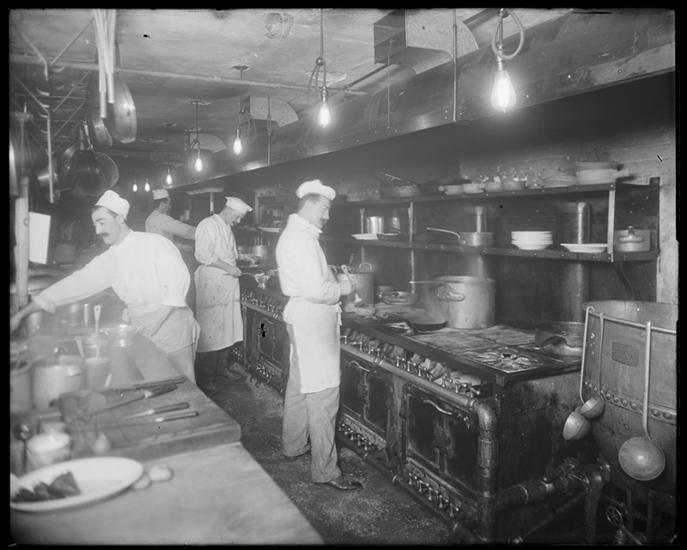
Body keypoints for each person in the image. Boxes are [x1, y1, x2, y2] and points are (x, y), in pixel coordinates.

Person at [10, 190, 200, 384]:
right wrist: (23, 313)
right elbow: (73, 285)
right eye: (95, 224)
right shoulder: (109, 260)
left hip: (172, 330)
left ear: (119, 218)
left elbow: (177, 283)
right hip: (143, 330)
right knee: (158, 383)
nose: (98, 230)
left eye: (102, 222)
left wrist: (155, 320)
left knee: (185, 387)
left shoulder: (155, 243)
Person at [275, 179, 363, 491]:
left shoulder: (296, 235)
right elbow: (316, 290)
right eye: (324, 209)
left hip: (302, 320)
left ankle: (293, 445)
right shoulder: (302, 239)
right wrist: (345, 287)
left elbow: (309, 280)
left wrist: (329, 274)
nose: (327, 216)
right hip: (313, 324)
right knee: (324, 394)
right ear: (310, 204)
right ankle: (326, 470)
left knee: (300, 386)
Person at [194, 196, 254, 385]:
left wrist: (244, 257)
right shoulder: (208, 224)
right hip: (212, 284)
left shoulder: (227, 227)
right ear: (229, 210)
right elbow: (203, 254)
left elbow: (228, 253)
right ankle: (206, 378)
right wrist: (229, 268)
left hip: (227, 285)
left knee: (227, 329)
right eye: (238, 217)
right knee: (211, 331)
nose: (238, 221)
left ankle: (220, 372)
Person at [145, 188, 198, 308]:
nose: (170, 207)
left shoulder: (150, 218)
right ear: (162, 204)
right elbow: (186, 231)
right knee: (172, 298)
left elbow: (162, 240)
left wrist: (181, 246)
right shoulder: (160, 218)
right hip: (164, 265)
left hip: (156, 264)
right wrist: (206, 231)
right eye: (168, 203)